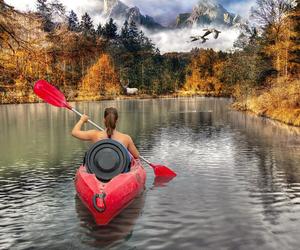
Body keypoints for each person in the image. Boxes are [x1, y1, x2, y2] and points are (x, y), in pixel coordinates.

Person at [71, 107, 139, 159]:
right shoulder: (126, 138)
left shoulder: (94, 135)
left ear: (104, 120)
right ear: (117, 121)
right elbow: (136, 156)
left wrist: (82, 120)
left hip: (100, 171)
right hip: (119, 171)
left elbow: (74, 132)